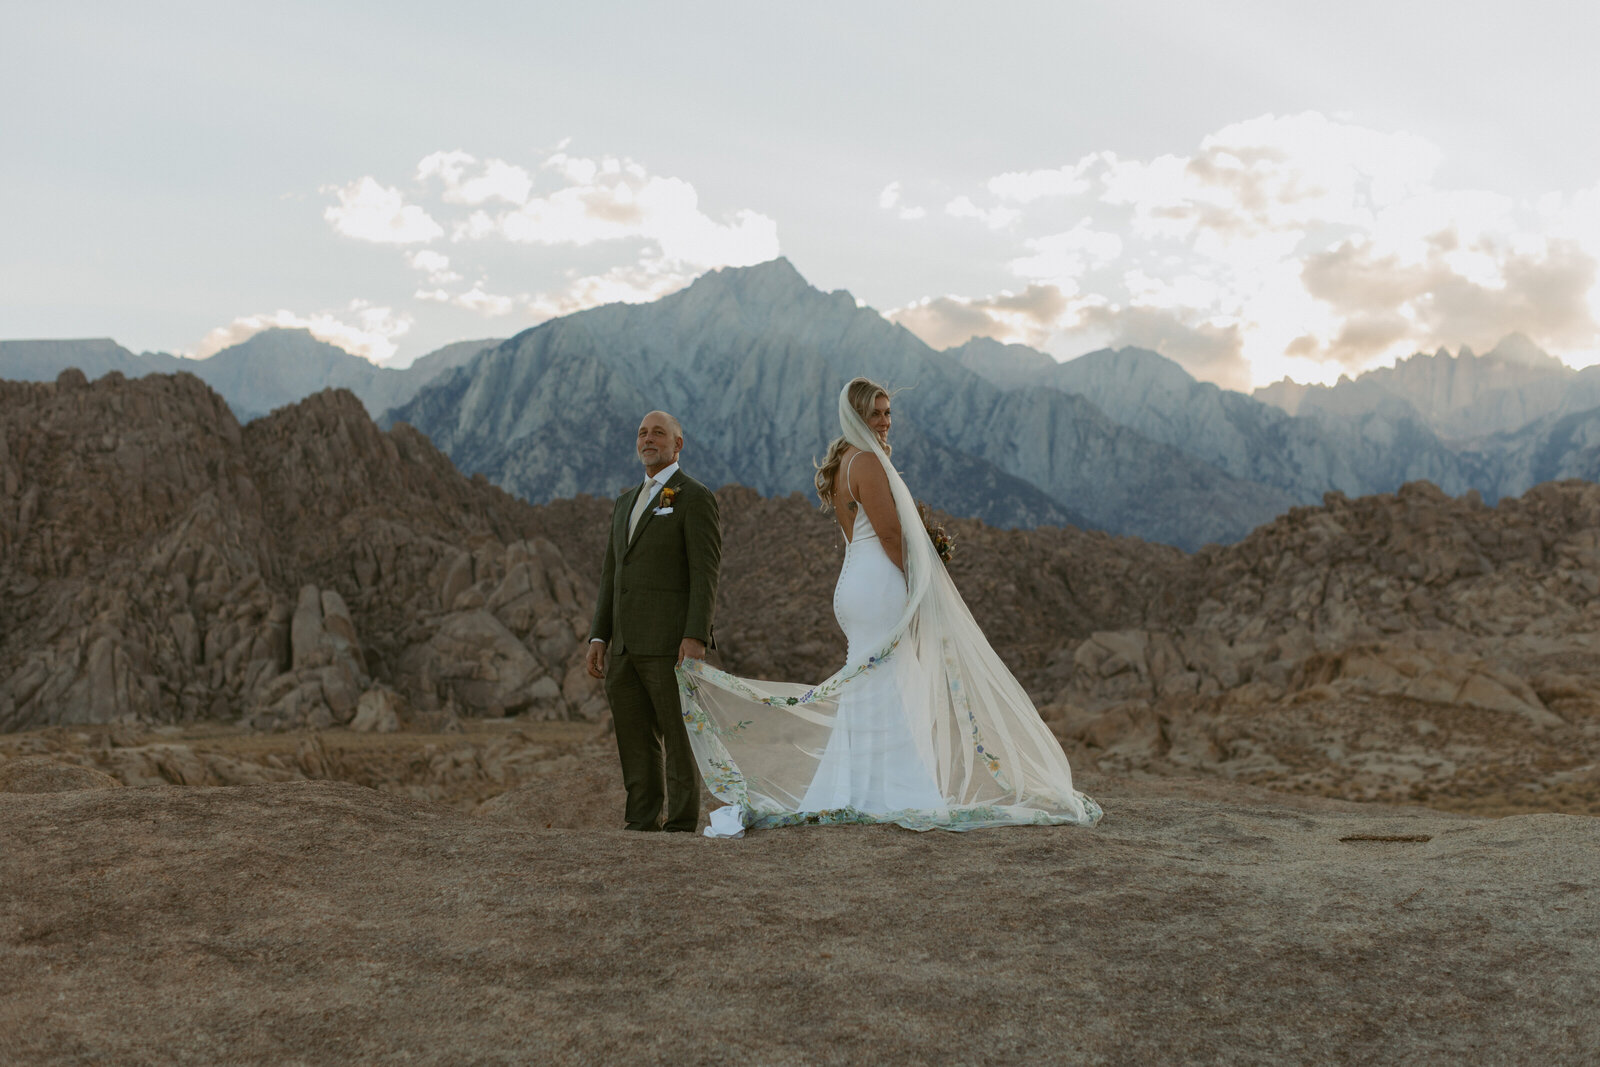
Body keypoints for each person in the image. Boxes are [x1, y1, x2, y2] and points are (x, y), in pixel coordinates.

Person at [678, 378, 1101, 837]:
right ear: (856, 417)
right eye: (875, 413)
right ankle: (901, 791)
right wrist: (922, 582)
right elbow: (891, 535)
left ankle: (854, 787)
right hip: (878, 583)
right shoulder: (868, 464)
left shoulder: (842, 463)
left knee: (873, 681)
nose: (884, 421)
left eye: (887, 413)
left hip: (853, 585)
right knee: (890, 677)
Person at [587, 410, 721, 832]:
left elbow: (705, 572)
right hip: (624, 644)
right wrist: (598, 635)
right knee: (634, 737)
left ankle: (681, 823)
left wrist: (695, 634)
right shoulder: (625, 501)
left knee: (678, 737)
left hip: (669, 643)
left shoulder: (693, 496)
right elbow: (613, 573)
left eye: (658, 433)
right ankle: (641, 819)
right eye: (642, 433)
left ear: (677, 444)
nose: (648, 439)